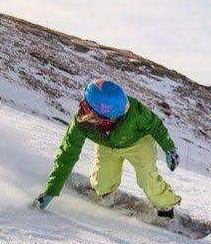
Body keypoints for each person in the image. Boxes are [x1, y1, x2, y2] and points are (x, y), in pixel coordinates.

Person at [35, 79, 181, 217]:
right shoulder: (82, 122)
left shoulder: (135, 112)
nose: (81, 107)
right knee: (101, 184)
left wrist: (169, 149)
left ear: (103, 117)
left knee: (147, 177)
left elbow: (155, 125)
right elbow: (68, 153)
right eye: (85, 102)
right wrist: (51, 190)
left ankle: (166, 207)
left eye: (86, 107)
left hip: (138, 143)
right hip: (109, 145)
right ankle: (107, 193)